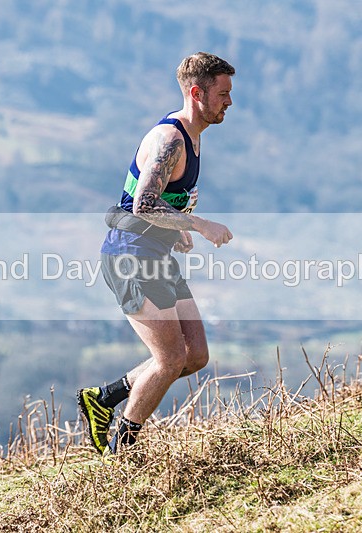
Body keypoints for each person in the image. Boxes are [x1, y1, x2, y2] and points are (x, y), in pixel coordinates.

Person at [78, 52, 235, 462]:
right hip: (129, 256)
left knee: (195, 355)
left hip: (155, 253)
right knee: (170, 359)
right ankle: (122, 455)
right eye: (223, 94)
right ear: (196, 92)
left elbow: (158, 202)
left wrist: (178, 231)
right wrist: (198, 225)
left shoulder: (193, 135)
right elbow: (143, 205)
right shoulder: (170, 139)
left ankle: (105, 397)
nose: (229, 103)